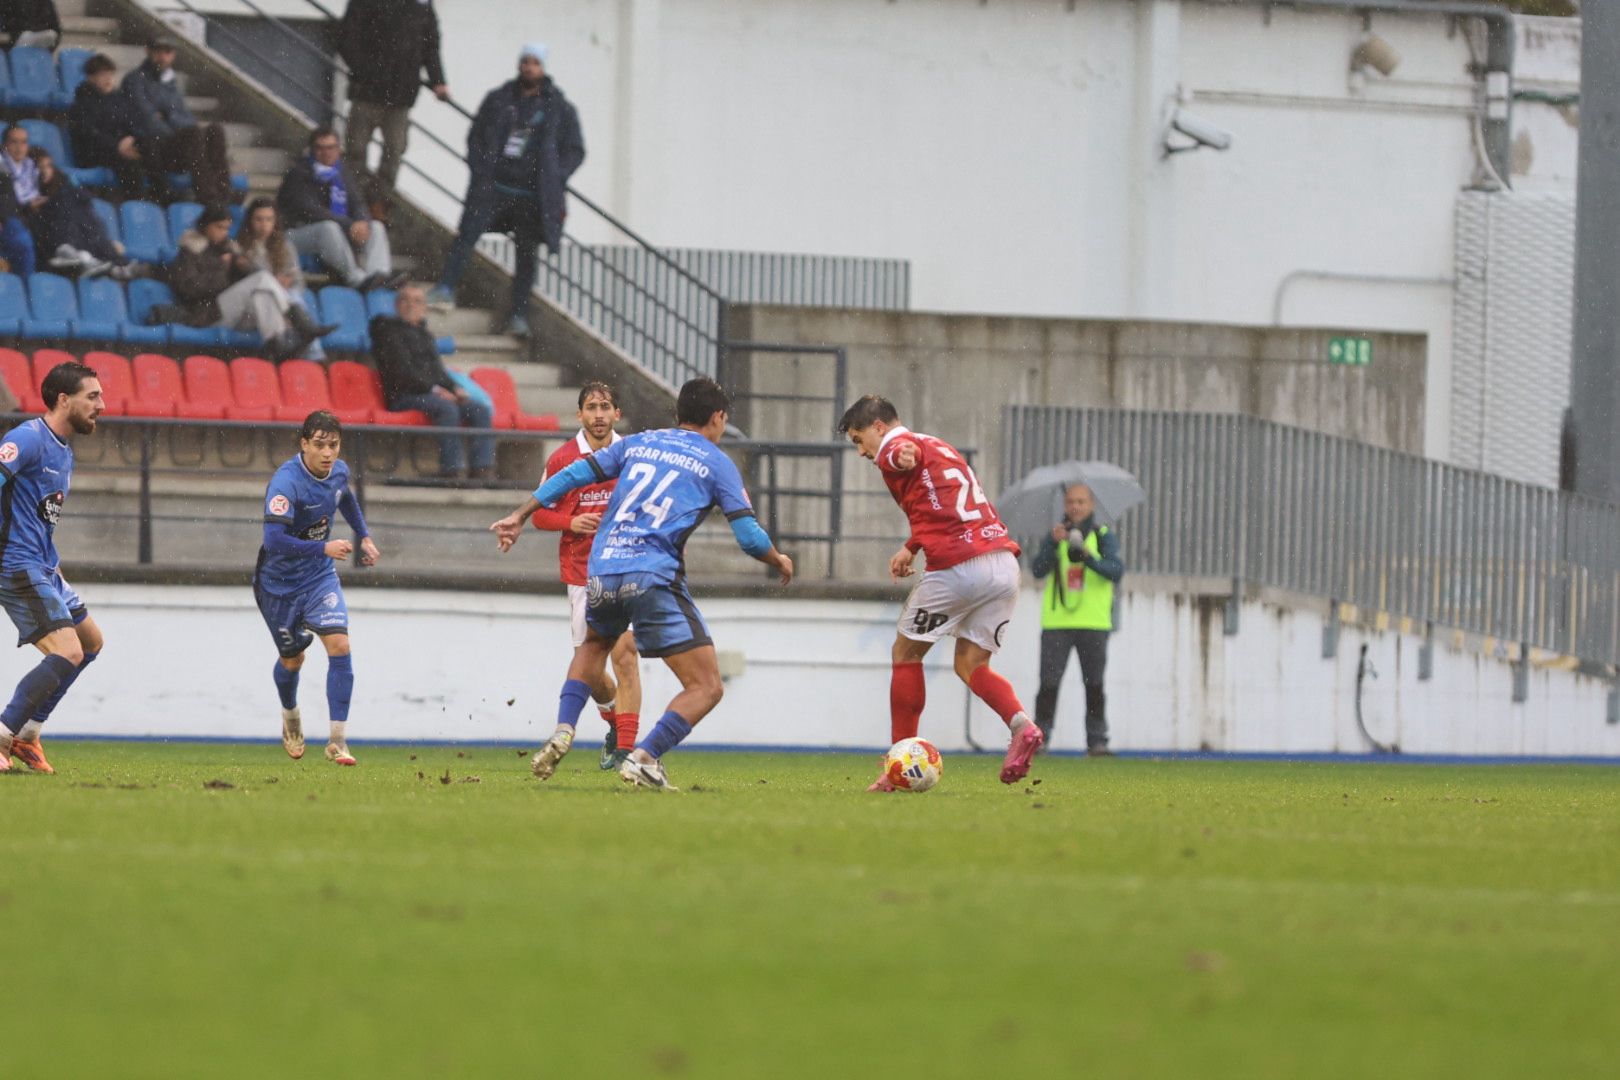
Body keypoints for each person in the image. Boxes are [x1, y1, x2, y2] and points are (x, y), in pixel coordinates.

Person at [491, 377, 793, 791]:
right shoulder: (718, 461)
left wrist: (520, 515)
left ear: (677, 414)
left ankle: (564, 727)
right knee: (706, 686)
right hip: (652, 574)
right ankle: (644, 757)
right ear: (718, 417)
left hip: (602, 567)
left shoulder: (640, 442)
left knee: (594, 646)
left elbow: (575, 474)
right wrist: (777, 558)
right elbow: (749, 538)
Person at [838, 394, 1044, 789]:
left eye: (858, 439)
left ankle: (897, 764)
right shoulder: (941, 446)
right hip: (1001, 563)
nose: (861, 451)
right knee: (970, 665)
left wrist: (900, 455)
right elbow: (945, 502)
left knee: (905, 654)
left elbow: (901, 451)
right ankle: (1022, 726)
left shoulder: (895, 447)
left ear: (878, 427)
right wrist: (911, 546)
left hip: (957, 568)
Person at [427, 42, 584, 339]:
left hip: (532, 196)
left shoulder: (559, 108)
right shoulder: (499, 99)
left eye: (535, 63)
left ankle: (519, 315)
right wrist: (479, 167)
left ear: (543, 67)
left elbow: (574, 150)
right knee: (467, 234)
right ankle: (446, 287)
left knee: (526, 256)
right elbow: (476, 137)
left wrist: (555, 176)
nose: (529, 67)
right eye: (525, 62)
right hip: (493, 187)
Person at [525, 381, 642, 769]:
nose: (598, 414)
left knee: (625, 653)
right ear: (579, 415)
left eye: (605, 406)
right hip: (581, 574)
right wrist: (572, 521)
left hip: (625, 568)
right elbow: (540, 514)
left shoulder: (632, 456)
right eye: (591, 407)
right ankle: (612, 722)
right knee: (591, 670)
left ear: (616, 414)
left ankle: (626, 750)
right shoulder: (562, 459)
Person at [254, 410, 380, 767]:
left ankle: (337, 740)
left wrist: (364, 536)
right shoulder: (286, 483)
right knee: (293, 659)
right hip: (279, 585)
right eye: (320, 445)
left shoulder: (338, 471)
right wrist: (323, 546)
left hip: (319, 576)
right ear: (304, 444)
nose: (328, 453)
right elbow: (274, 540)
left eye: (334, 445)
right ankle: (291, 716)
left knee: (340, 644)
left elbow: (345, 498)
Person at [0, 361, 106, 774]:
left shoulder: (64, 451)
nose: (102, 404)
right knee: (68, 651)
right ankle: (6, 732)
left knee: (91, 642)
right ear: (64, 399)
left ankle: (29, 733)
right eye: (92, 396)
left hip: (43, 564)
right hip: (16, 564)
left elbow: (38, 514)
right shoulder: (26, 439)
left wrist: (55, 562)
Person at [167, 204, 335, 362]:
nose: (224, 233)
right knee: (263, 278)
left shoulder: (229, 249)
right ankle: (299, 320)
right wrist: (222, 268)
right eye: (219, 227)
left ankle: (277, 345)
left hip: (234, 313)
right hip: (208, 314)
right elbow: (188, 289)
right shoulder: (189, 251)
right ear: (205, 225)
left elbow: (245, 282)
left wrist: (244, 267)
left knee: (262, 294)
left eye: (226, 228)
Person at [1030, 483, 1124, 755]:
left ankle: (1097, 740)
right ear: (1065, 505)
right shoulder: (1056, 535)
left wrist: (1088, 558)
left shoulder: (1102, 535)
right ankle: (1040, 737)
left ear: (1091, 505)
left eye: (1081, 502)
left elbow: (1116, 570)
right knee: (1048, 683)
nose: (1075, 507)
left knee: (1094, 684)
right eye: (1071, 501)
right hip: (1057, 622)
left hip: (1093, 622)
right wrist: (1051, 543)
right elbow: (1038, 569)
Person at [369, 283, 494, 478]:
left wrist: (454, 389)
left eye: (417, 301)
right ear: (396, 305)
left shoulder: (425, 335)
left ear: (424, 308)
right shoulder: (388, 332)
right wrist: (437, 391)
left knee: (479, 409)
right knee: (447, 408)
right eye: (405, 300)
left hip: (430, 395)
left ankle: (481, 470)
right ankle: (450, 470)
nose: (411, 305)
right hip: (404, 396)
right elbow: (403, 373)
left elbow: (438, 372)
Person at [337, 0, 449, 217]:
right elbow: (346, 38)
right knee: (355, 151)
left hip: (400, 98)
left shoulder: (422, 4)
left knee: (394, 154)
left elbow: (431, 45)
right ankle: (356, 201)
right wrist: (366, 70)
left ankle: (377, 203)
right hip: (366, 93)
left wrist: (438, 81)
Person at [277, 127, 400, 290]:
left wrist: (362, 221)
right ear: (312, 150)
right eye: (320, 148)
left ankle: (379, 276)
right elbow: (312, 211)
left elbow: (358, 202)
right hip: (296, 234)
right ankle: (356, 279)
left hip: (336, 229)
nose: (325, 152)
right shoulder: (298, 173)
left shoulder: (342, 172)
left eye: (330, 148)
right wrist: (350, 225)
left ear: (338, 149)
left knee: (375, 227)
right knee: (328, 228)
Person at [122, 36, 232, 206]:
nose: (163, 57)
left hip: (179, 145)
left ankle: (223, 199)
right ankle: (209, 199)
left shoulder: (170, 82)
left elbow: (185, 116)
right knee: (191, 134)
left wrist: (168, 116)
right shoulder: (135, 80)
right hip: (156, 148)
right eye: (158, 52)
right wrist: (177, 128)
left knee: (214, 131)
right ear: (148, 52)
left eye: (167, 52)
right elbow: (148, 120)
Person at [26, 147, 142, 280]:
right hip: (49, 240)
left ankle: (113, 263)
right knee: (68, 203)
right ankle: (115, 264)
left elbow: (84, 199)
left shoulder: (62, 180)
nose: (45, 171)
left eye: (48, 166)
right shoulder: (27, 187)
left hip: (72, 235)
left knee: (87, 218)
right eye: (41, 167)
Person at [238, 197, 325, 360]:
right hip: (255, 308)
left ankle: (308, 348)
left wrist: (288, 282)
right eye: (259, 219)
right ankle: (315, 354)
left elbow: (299, 282)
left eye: (269, 219)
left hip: (283, 306)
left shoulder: (286, 248)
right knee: (283, 294)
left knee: (293, 294)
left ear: (275, 221)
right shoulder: (241, 248)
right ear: (249, 221)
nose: (264, 225)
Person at [67, 53, 155, 199]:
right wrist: (117, 145)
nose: (108, 79)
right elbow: (89, 134)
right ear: (91, 77)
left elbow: (131, 124)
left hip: (119, 148)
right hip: (94, 152)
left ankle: (162, 202)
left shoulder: (118, 99)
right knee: (130, 162)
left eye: (111, 74)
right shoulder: (82, 103)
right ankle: (137, 204)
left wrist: (132, 139)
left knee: (151, 148)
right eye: (103, 75)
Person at [0, 127, 37, 276]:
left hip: (27, 220)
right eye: (14, 142)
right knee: (23, 242)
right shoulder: (2, 168)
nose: (19, 147)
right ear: (5, 145)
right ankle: (28, 292)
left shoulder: (33, 167)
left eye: (23, 142)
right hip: (9, 220)